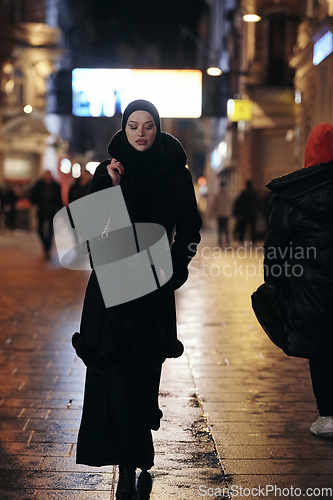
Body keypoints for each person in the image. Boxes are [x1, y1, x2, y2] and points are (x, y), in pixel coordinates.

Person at [71, 100, 202, 499]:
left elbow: (189, 228)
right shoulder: (108, 171)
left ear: (158, 129)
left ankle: (137, 449)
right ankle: (126, 463)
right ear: (124, 130)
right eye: (133, 126)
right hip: (110, 292)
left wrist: (175, 268)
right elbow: (88, 234)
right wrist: (106, 187)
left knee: (144, 373)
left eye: (147, 126)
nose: (141, 133)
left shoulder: (176, 176)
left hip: (152, 291)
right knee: (115, 373)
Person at [257, 123, 333, 438]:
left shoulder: (291, 194)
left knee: (321, 348)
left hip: (311, 289)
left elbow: (276, 247)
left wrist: (273, 284)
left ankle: (328, 416)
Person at [31, 170, 63, 259]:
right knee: (39, 229)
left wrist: (59, 209)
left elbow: (58, 198)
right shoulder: (39, 184)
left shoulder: (55, 185)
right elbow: (33, 194)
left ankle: (48, 248)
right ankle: (45, 244)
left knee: (50, 230)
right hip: (41, 210)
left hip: (51, 211)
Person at [211, 181, 232, 246]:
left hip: (219, 213)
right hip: (226, 214)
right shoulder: (228, 195)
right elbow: (231, 204)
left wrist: (214, 212)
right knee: (226, 228)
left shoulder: (217, 195)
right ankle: (227, 240)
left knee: (220, 228)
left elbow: (214, 205)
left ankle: (220, 241)